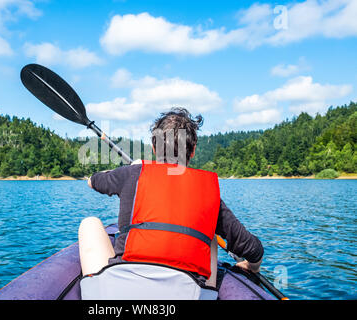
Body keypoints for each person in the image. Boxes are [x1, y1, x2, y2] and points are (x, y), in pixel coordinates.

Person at [78, 107, 263, 300]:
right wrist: (251, 267)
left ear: (155, 148)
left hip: (121, 292)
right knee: (211, 237)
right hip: (187, 294)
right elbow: (253, 249)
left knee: (89, 224)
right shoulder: (207, 194)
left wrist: (131, 170)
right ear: (193, 150)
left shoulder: (132, 174)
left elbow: (93, 181)